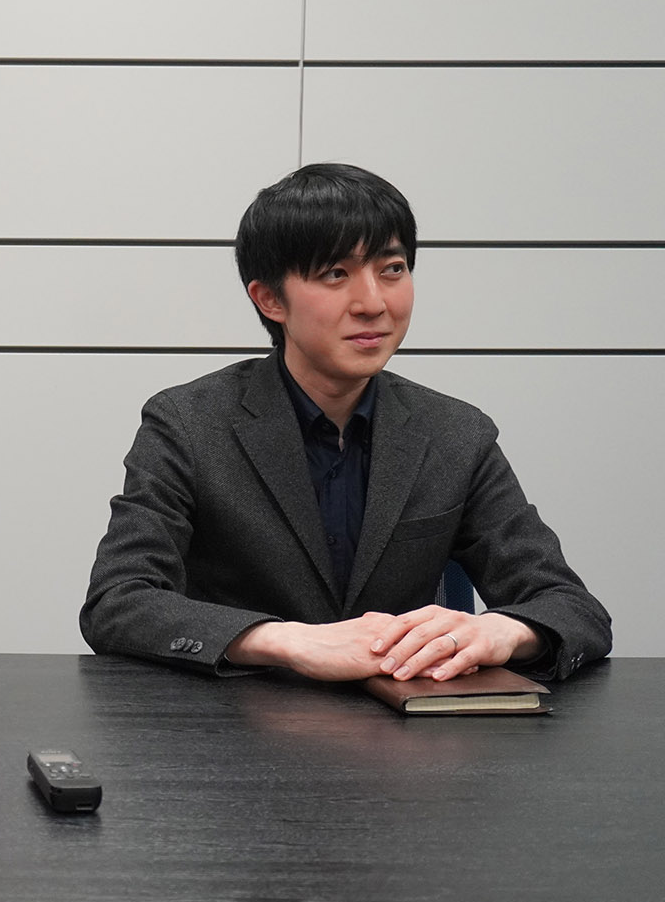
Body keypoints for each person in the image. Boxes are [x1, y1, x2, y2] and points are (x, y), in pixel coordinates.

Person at [81, 163, 609, 682]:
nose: (373, 303)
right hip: (233, 722)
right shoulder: (189, 424)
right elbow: (119, 601)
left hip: (404, 726)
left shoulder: (456, 434)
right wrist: (287, 642)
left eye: (392, 269)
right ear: (270, 299)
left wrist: (500, 631)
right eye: (335, 274)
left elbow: (571, 607)